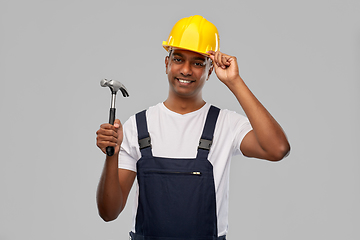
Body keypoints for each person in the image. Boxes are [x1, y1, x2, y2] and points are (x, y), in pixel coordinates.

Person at [96, 15, 290, 240]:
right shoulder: (136, 127)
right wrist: (113, 154)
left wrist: (234, 81)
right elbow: (108, 213)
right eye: (178, 59)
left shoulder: (225, 124)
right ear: (166, 63)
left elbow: (277, 149)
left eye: (198, 63)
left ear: (210, 71)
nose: (186, 70)